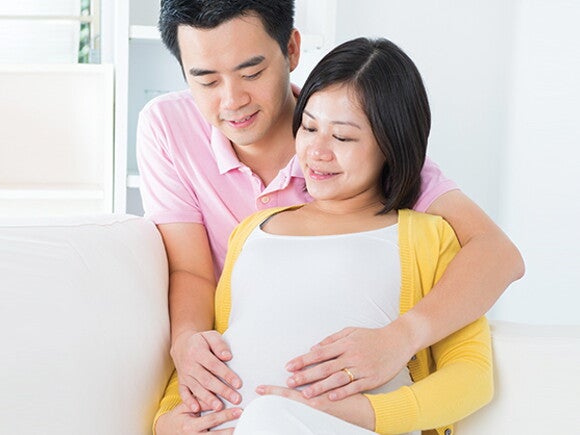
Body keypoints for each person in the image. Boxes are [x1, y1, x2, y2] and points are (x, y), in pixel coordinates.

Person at [136, 0, 522, 433]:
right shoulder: (247, 230)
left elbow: (494, 265)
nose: (232, 100)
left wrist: (400, 342)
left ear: (292, 50)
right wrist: (170, 411)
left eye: (251, 73)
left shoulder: (421, 226)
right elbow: (202, 295)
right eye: (205, 80)